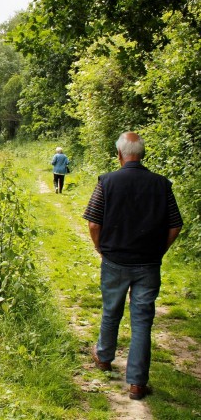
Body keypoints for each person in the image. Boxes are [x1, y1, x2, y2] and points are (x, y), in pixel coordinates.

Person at [83, 131, 183, 400]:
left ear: (119, 154)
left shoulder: (107, 182)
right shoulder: (162, 184)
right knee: (142, 322)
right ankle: (137, 383)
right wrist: (159, 249)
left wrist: (99, 247)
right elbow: (175, 224)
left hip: (115, 260)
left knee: (111, 311)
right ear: (142, 154)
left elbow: (93, 221)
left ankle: (104, 357)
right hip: (148, 264)